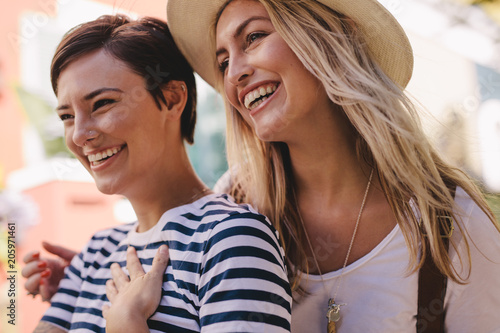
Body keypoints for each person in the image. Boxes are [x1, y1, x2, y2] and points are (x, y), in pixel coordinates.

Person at [24, 1, 500, 332]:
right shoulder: (236, 198)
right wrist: (85, 286)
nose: (235, 73)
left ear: (330, 39)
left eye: (253, 37)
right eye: (223, 59)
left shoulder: (457, 229)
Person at [25, 14, 292, 333]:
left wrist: (128, 326)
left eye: (102, 103)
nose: (80, 134)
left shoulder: (231, 240)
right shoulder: (95, 252)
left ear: (172, 98)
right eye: (67, 116)